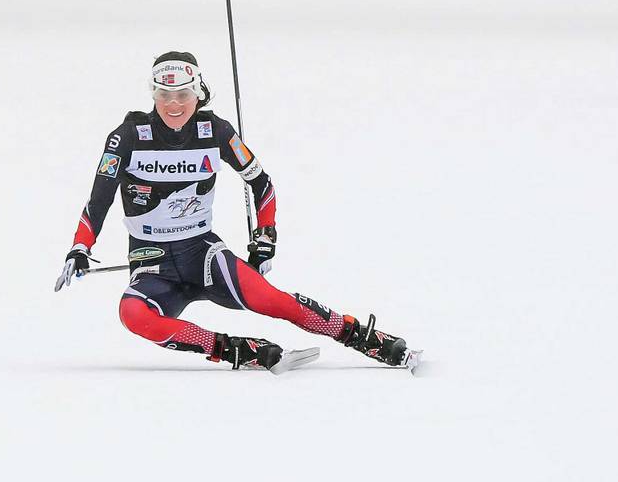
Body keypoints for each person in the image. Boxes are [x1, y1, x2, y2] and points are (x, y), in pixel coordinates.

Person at [54, 52, 413, 371]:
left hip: (202, 254)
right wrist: (80, 247)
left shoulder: (217, 131)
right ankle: (238, 350)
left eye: (183, 95)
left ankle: (365, 339)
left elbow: (262, 184)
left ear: (199, 92)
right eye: (164, 95)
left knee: (270, 299)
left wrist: (265, 236)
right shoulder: (127, 137)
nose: (174, 105)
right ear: (153, 95)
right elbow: (97, 201)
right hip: (152, 262)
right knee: (132, 316)